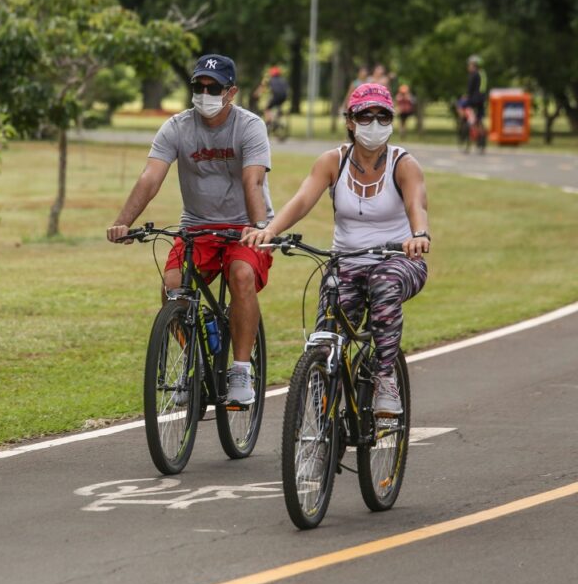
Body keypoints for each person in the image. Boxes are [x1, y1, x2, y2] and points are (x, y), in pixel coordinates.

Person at [243, 83, 430, 416]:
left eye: (382, 115)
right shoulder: (333, 161)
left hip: (400, 260)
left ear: (392, 120)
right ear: (350, 121)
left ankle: (385, 378)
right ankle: (320, 415)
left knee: (384, 284)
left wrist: (418, 234)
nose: (374, 123)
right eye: (365, 115)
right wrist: (270, 230)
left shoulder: (404, 163)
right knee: (328, 336)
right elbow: (302, 200)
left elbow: (417, 202)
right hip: (345, 263)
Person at [106, 53, 275, 405]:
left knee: (241, 275)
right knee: (172, 288)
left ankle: (241, 370)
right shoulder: (177, 127)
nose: (204, 93)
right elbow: (151, 177)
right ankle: (193, 366)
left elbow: (253, 181)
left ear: (231, 92)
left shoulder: (249, 126)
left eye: (213, 88)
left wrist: (260, 228)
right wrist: (124, 222)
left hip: (245, 227)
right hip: (198, 228)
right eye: (198, 86)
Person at [264, 66, 289, 133]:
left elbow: (268, 89)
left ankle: (270, 121)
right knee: (278, 105)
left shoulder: (271, 80)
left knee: (267, 108)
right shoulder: (283, 79)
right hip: (284, 97)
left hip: (276, 96)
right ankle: (279, 116)